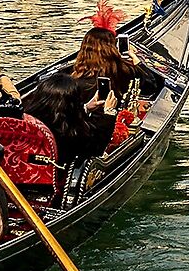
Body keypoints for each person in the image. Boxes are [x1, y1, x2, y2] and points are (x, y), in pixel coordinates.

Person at [23, 19, 169, 165]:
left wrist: (86, 107)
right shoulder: (124, 71)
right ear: (112, 48)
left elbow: (68, 118)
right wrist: (137, 61)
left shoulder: (70, 78)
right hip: (98, 134)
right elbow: (155, 85)